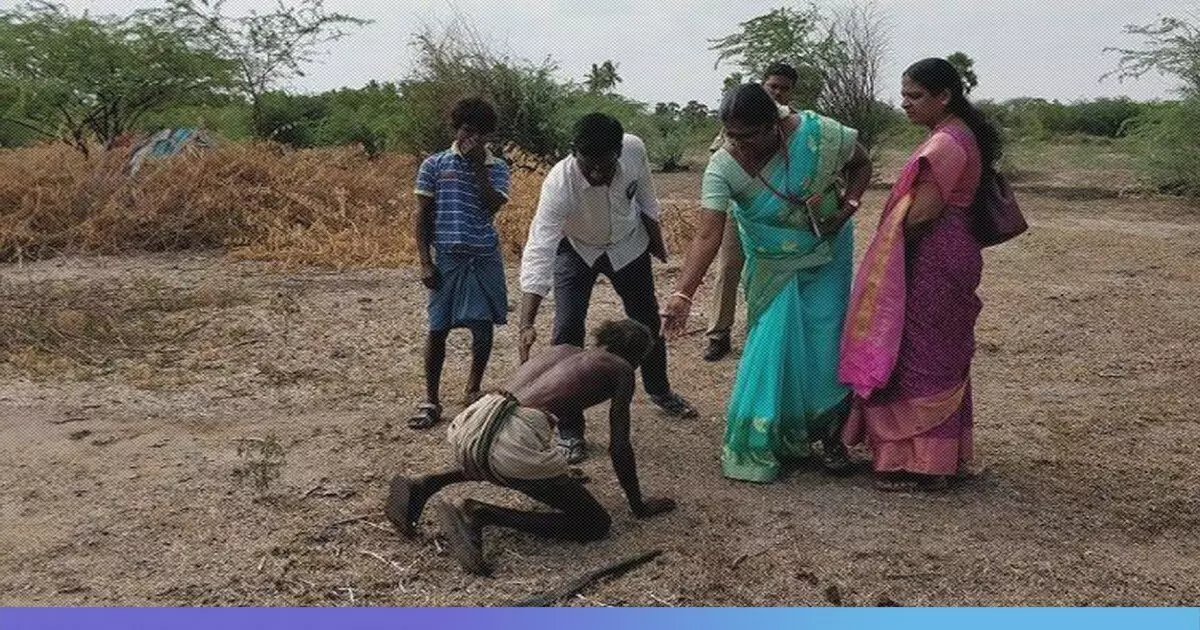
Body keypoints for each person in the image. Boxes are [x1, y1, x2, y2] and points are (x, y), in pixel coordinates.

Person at [661, 83, 873, 483]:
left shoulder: (817, 134)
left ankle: (831, 437)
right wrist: (682, 293)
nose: (738, 145)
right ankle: (770, 435)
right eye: (731, 135)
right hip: (772, 265)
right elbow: (707, 234)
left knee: (825, 343)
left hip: (827, 254)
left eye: (748, 136)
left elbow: (861, 163)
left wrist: (848, 207)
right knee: (773, 342)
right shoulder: (722, 166)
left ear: (774, 124)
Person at [384, 319, 677, 576]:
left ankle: (426, 482)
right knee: (595, 523)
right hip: (511, 439)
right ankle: (479, 513)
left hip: (473, 422)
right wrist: (638, 504)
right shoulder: (621, 369)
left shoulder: (562, 350)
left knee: (506, 452)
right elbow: (619, 445)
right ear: (634, 356)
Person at [838, 58, 1002, 492]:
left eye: (914, 96)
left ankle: (920, 464)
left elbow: (923, 213)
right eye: (903, 95)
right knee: (940, 351)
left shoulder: (946, 143)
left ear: (943, 96)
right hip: (954, 251)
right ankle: (939, 456)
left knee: (919, 353)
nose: (905, 104)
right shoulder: (960, 134)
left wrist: (888, 250)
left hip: (933, 255)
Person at [516, 112, 697, 463]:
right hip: (577, 249)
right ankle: (570, 427)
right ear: (574, 153)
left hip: (628, 245)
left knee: (647, 322)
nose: (597, 173)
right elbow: (540, 246)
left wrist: (656, 240)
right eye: (589, 165)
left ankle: (659, 390)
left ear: (619, 152)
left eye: (606, 165)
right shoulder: (559, 183)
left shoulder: (634, 149)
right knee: (567, 331)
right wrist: (526, 320)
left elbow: (646, 196)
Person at [410, 97, 512, 429]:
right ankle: (431, 399)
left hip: (483, 256)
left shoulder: (498, 168)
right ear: (456, 129)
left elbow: (492, 204)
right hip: (447, 257)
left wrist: (479, 167)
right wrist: (425, 262)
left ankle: (472, 389)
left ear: (488, 135)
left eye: (480, 133)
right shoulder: (434, 165)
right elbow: (422, 216)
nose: (472, 138)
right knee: (437, 327)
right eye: (467, 130)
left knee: (482, 327)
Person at [703, 63, 800, 362]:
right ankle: (718, 333)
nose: (778, 92)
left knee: (774, 274)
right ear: (763, 85)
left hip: (781, 215)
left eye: (784, 88)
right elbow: (721, 158)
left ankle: (761, 333)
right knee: (729, 268)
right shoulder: (739, 116)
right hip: (741, 208)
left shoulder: (798, 123)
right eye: (773, 86)